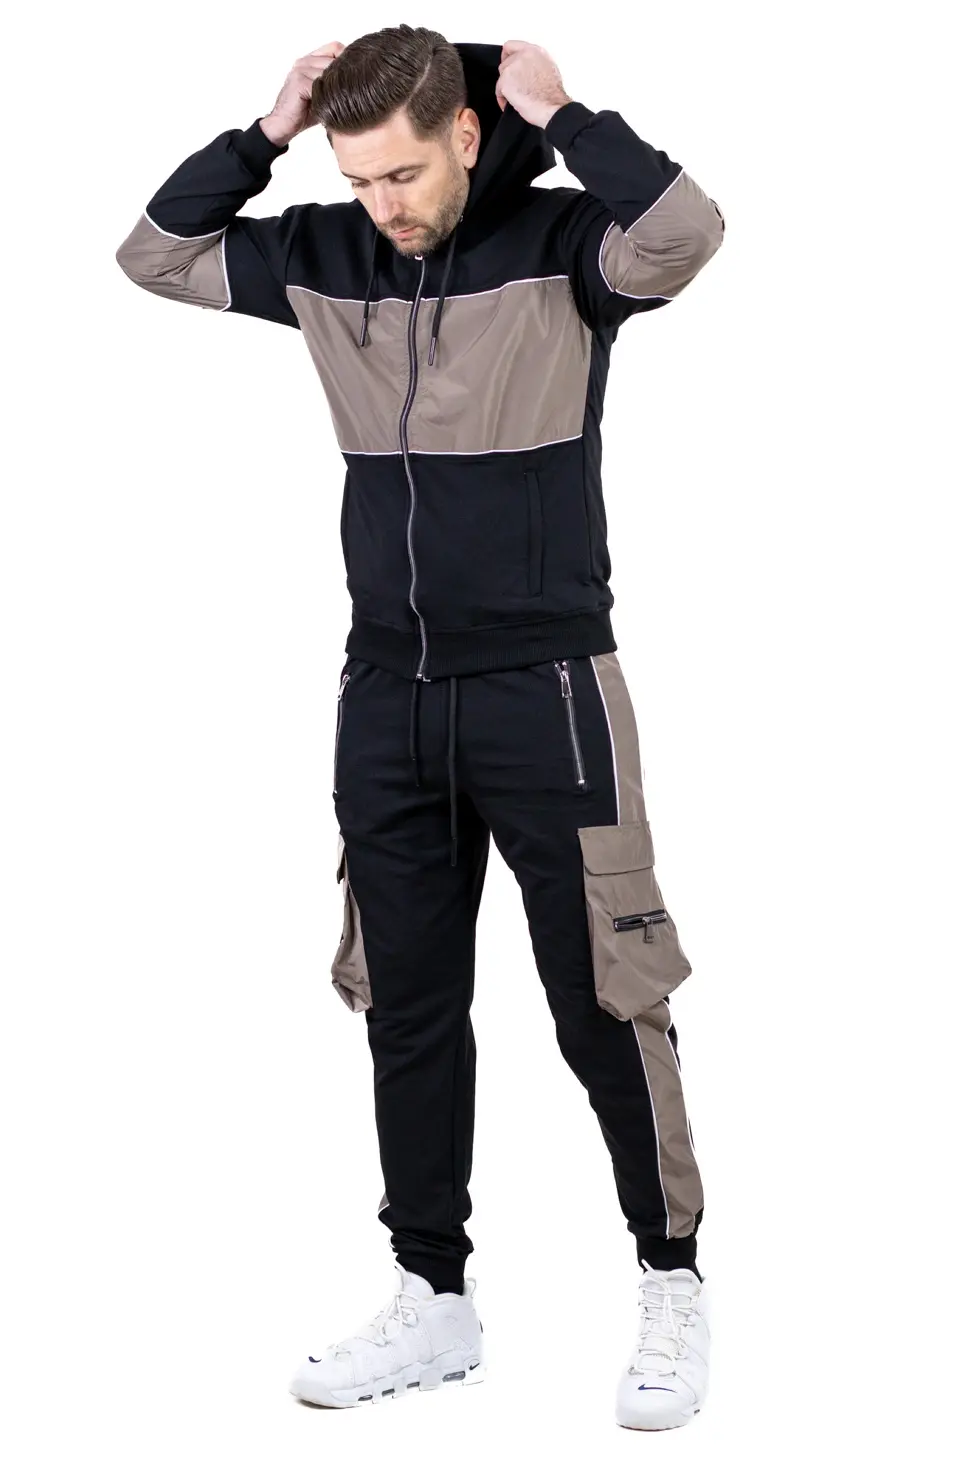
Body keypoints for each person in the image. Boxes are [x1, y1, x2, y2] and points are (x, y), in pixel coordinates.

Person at [116, 26, 724, 1431]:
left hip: (547, 688)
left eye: (402, 173)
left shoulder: (568, 248)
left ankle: (672, 1276)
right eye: (357, 176)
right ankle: (433, 1295)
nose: (382, 203)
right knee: (408, 1006)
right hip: (384, 695)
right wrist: (266, 135)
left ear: (462, 135)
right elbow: (153, 254)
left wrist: (565, 116)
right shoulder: (323, 255)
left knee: (607, 997)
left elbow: (687, 231)